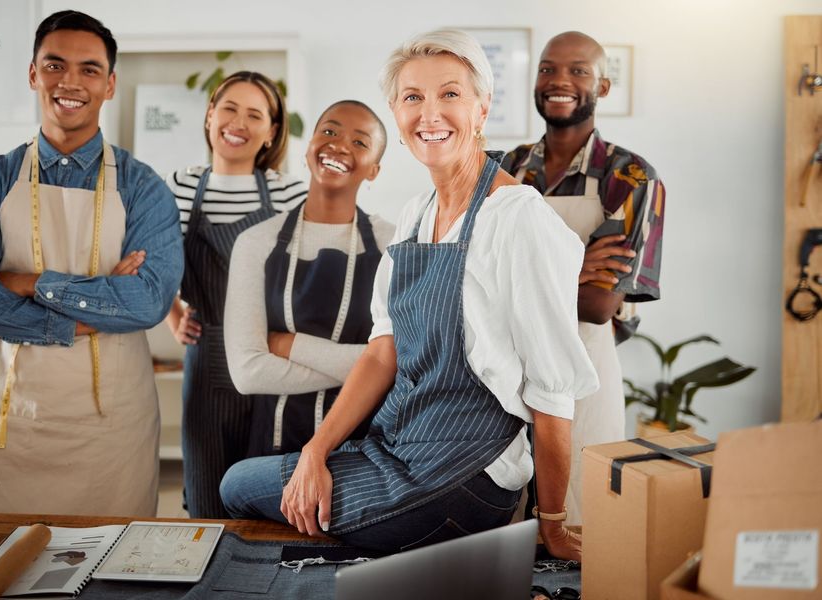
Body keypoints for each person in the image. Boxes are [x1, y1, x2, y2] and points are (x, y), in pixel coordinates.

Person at [221, 29, 598, 561]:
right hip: (397, 448)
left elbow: (554, 390)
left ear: (482, 109)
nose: (430, 113)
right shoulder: (415, 216)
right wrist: (316, 451)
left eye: (450, 94)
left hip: (465, 475)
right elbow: (383, 350)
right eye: (412, 98)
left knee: (241, 488)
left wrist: (553, 522)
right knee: (244, 481)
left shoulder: (519, 217)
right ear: (397, 117)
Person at [0, 10, 183, 517]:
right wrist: (84, 318)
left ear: (110, 84)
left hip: (111, 430)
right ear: (33, 74)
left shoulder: (143, 187)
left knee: (111, 579)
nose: (70, 82)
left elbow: (147, 302)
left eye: (89, 69)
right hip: (6, 422)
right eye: (55, 65)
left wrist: (29, 283)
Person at [501, 31, 665, 525]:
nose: (560, 81)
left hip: (583, 372)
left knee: (577, 522)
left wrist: (520, 277)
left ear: (604, 87)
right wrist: (576, 268)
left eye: (579, 71)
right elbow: (472, 281)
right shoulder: (507, 168)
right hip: (505, 365)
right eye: (548, 69)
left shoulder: (632, 176)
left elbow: (597, 306)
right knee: (504, 525)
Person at [164, 71, 308, 518]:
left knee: (269, 499)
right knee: (207, 502)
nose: (238, 122)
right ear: (210, 116)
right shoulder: (182, 187)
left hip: (273, 362)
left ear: (270, 132)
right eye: (229, 108)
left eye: (254, 114)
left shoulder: (288, 193)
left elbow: (312, 277)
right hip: (207, 359)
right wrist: (173, 314)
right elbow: (150, 260)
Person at [224, 100, 394, 458]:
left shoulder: (394, 246)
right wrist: (368, 369)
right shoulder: (256, 242)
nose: (340, 145)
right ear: (309, 146)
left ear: (375, 171)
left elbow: (403, 361)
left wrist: (289, 346)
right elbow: (248, 373)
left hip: (365, 453)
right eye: (329, 131)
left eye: (360, 142)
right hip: (272, 450)